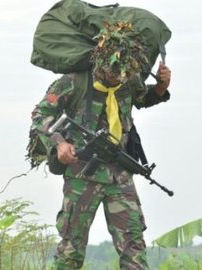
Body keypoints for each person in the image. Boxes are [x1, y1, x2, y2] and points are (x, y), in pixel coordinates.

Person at [29, 22, 172, 269]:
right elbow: (40, 114)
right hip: (82, 175)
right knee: (70, 253)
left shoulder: (127, 80)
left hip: (120, 175)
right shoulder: (74, 82)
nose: (118, 77)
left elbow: (142, 98)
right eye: (113, 72)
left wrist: (160, 88)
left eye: (123, 73)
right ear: (100, 62)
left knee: (134, 249)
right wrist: (59, 144)